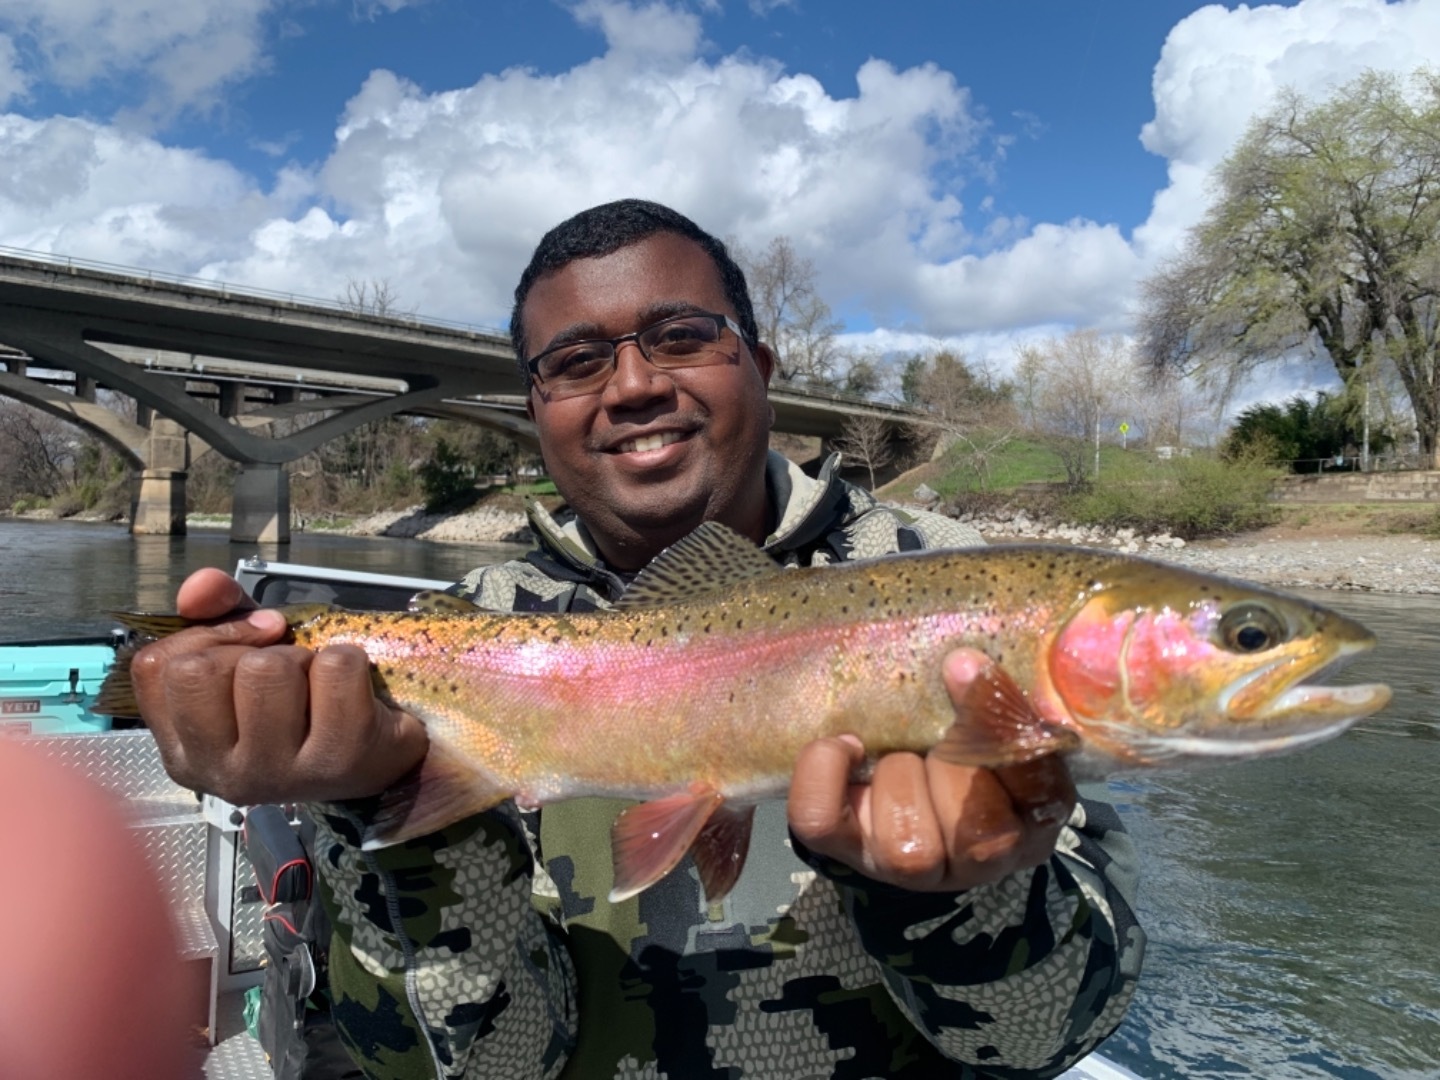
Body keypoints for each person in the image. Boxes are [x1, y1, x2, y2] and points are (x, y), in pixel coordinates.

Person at [133, 199, 1145, 1079]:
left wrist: (965, 898)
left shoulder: (955, 590)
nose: (631, 386)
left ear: (759, 364)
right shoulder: (452, 638)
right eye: (576, 363)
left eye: (680, 337)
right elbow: (474, 1068)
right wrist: (384, 804)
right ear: (537, 411)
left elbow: (1045, 1040)